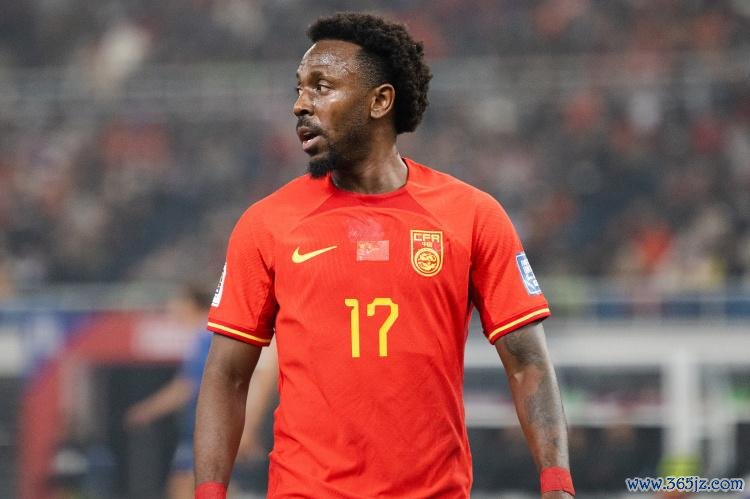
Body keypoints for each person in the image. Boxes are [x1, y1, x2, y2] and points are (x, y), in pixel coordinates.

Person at [195, 12, 574, 499]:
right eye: (299, 88)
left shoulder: (472, 216)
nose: (299, 104)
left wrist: (557, 486)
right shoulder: (266, 224)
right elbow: (226, 375)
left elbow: (527, 363)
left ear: (380, 101)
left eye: (321, 87)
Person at [124, 285, 277, 498]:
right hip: (208, 429)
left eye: (177, 302)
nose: (172, 308)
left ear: (191, 304)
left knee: (190, 487)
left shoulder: (210, 337)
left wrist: (146, 411)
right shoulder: (205, 337)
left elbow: (188, 386)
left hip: (209, 430)